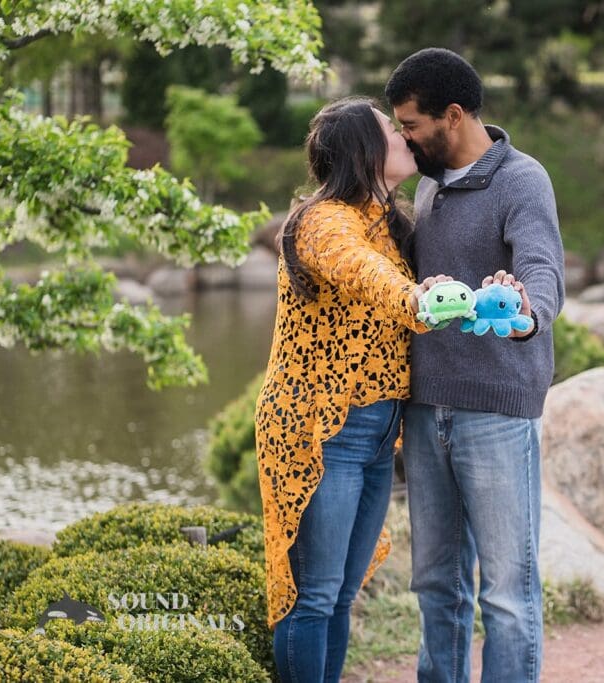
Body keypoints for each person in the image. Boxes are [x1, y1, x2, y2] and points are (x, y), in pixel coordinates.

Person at [254, 96, 452, 683]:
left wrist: (428, 286)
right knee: (311, 597)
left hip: (375, 433)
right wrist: (415, 299)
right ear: (365, 151)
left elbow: (385, 272)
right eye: (393, 131)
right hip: (321, 431)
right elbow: (359, 270)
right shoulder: (323, 220)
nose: (406, 137)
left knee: (340, 595)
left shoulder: (389, 222)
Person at [386, 48, 566, 682]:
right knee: (437, 585)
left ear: (452, 115)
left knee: (507, 597)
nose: (404, 137)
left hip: (495, 410)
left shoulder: (522, 180)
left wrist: (525, 312)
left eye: (410, 124)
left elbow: (541, 268)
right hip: (426, 404)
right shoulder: (430, 184)